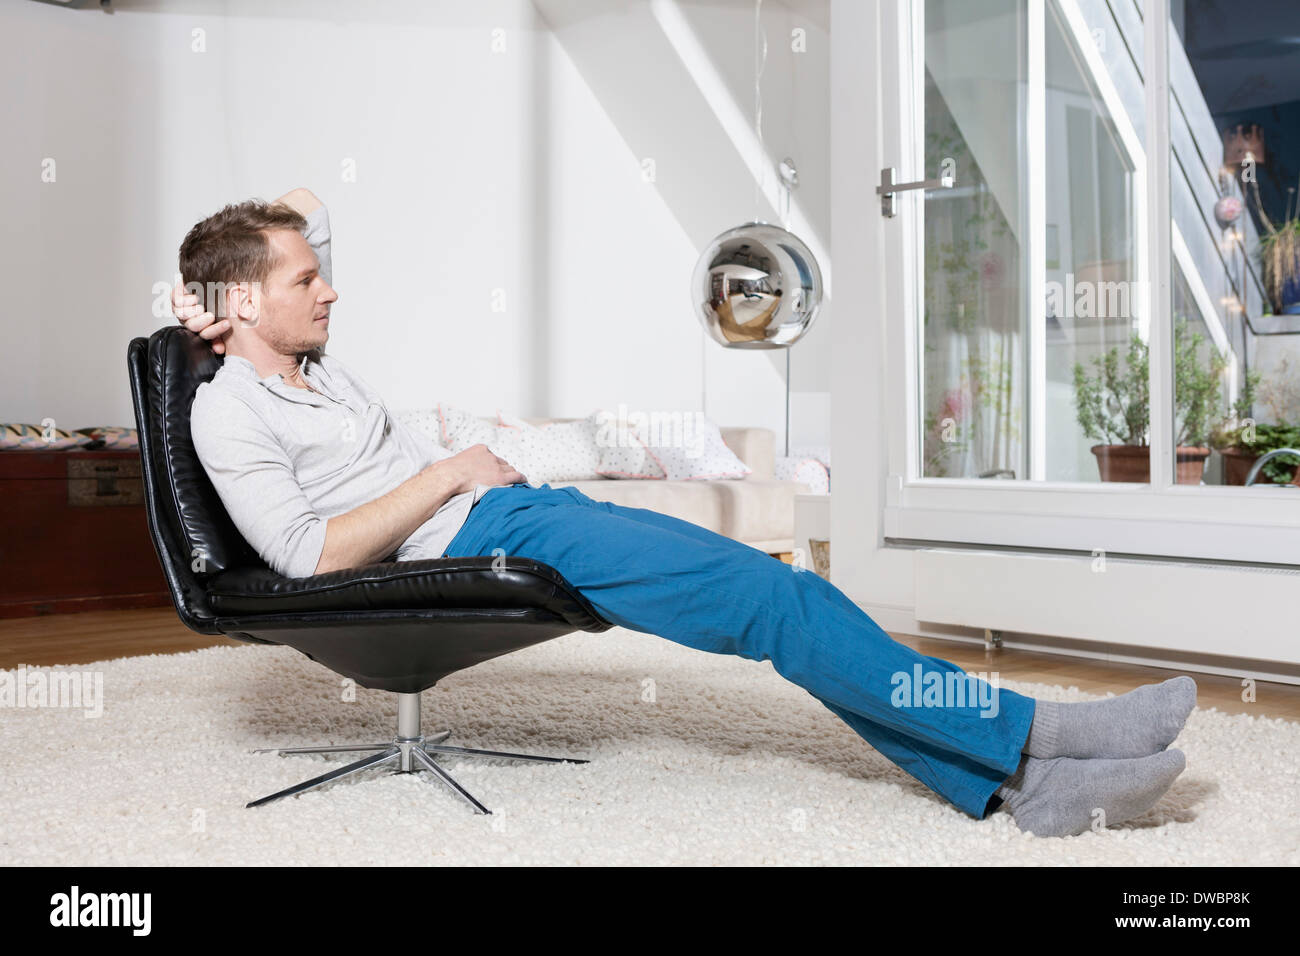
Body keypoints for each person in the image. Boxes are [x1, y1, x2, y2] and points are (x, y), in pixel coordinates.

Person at [174, 188, 1195, 838]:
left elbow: (291, 219)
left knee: (781, 594)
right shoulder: (229, 411)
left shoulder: (307, 363)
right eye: (307, 279)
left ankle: (1019, 781)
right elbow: (306, 557)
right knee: (772, 603)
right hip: (485, 533)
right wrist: (449, 474)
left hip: (522, 509)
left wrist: (208, 290)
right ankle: (1034, 739)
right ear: (247, 304)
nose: (331, 290)